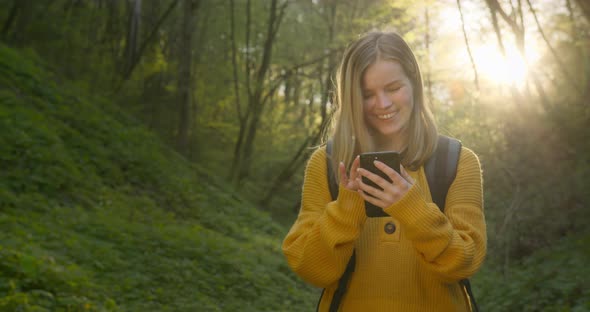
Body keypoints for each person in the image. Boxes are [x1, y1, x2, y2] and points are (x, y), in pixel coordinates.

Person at [282, 31, 486, 311]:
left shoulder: (457, 161)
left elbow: (464, 263)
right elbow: (311, 269)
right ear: (351, 98)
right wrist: (347, 208)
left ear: (414, 82)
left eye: (393, 88)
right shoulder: (328, 163)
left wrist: (410, 207)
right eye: (367, 94)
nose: (383, 104)